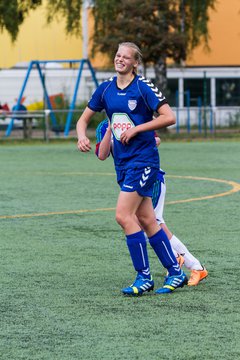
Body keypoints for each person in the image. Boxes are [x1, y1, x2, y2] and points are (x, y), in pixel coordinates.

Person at [77, 42, 188, 296]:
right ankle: (175, 271)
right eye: (118, 55)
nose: (120, 60)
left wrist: (138, 129)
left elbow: (169, 117)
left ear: (135, 63)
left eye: (126, 57)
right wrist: (82, 136)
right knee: (147, 219)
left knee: (123, 216)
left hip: (144, 160)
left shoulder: (143, 87)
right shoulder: (105, 89)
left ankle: (144, 277)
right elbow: (83, 119)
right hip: (123, 164)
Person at [95, 118, 208, 286]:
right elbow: (101, 155)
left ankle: (187, 264)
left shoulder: (134, 117)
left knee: (148, 223)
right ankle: (188, 264)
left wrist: (136, 135)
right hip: (130, 179)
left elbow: (157, 139)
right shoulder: (103, 127)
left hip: (150, 178)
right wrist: (112, 130)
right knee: (152, 224)